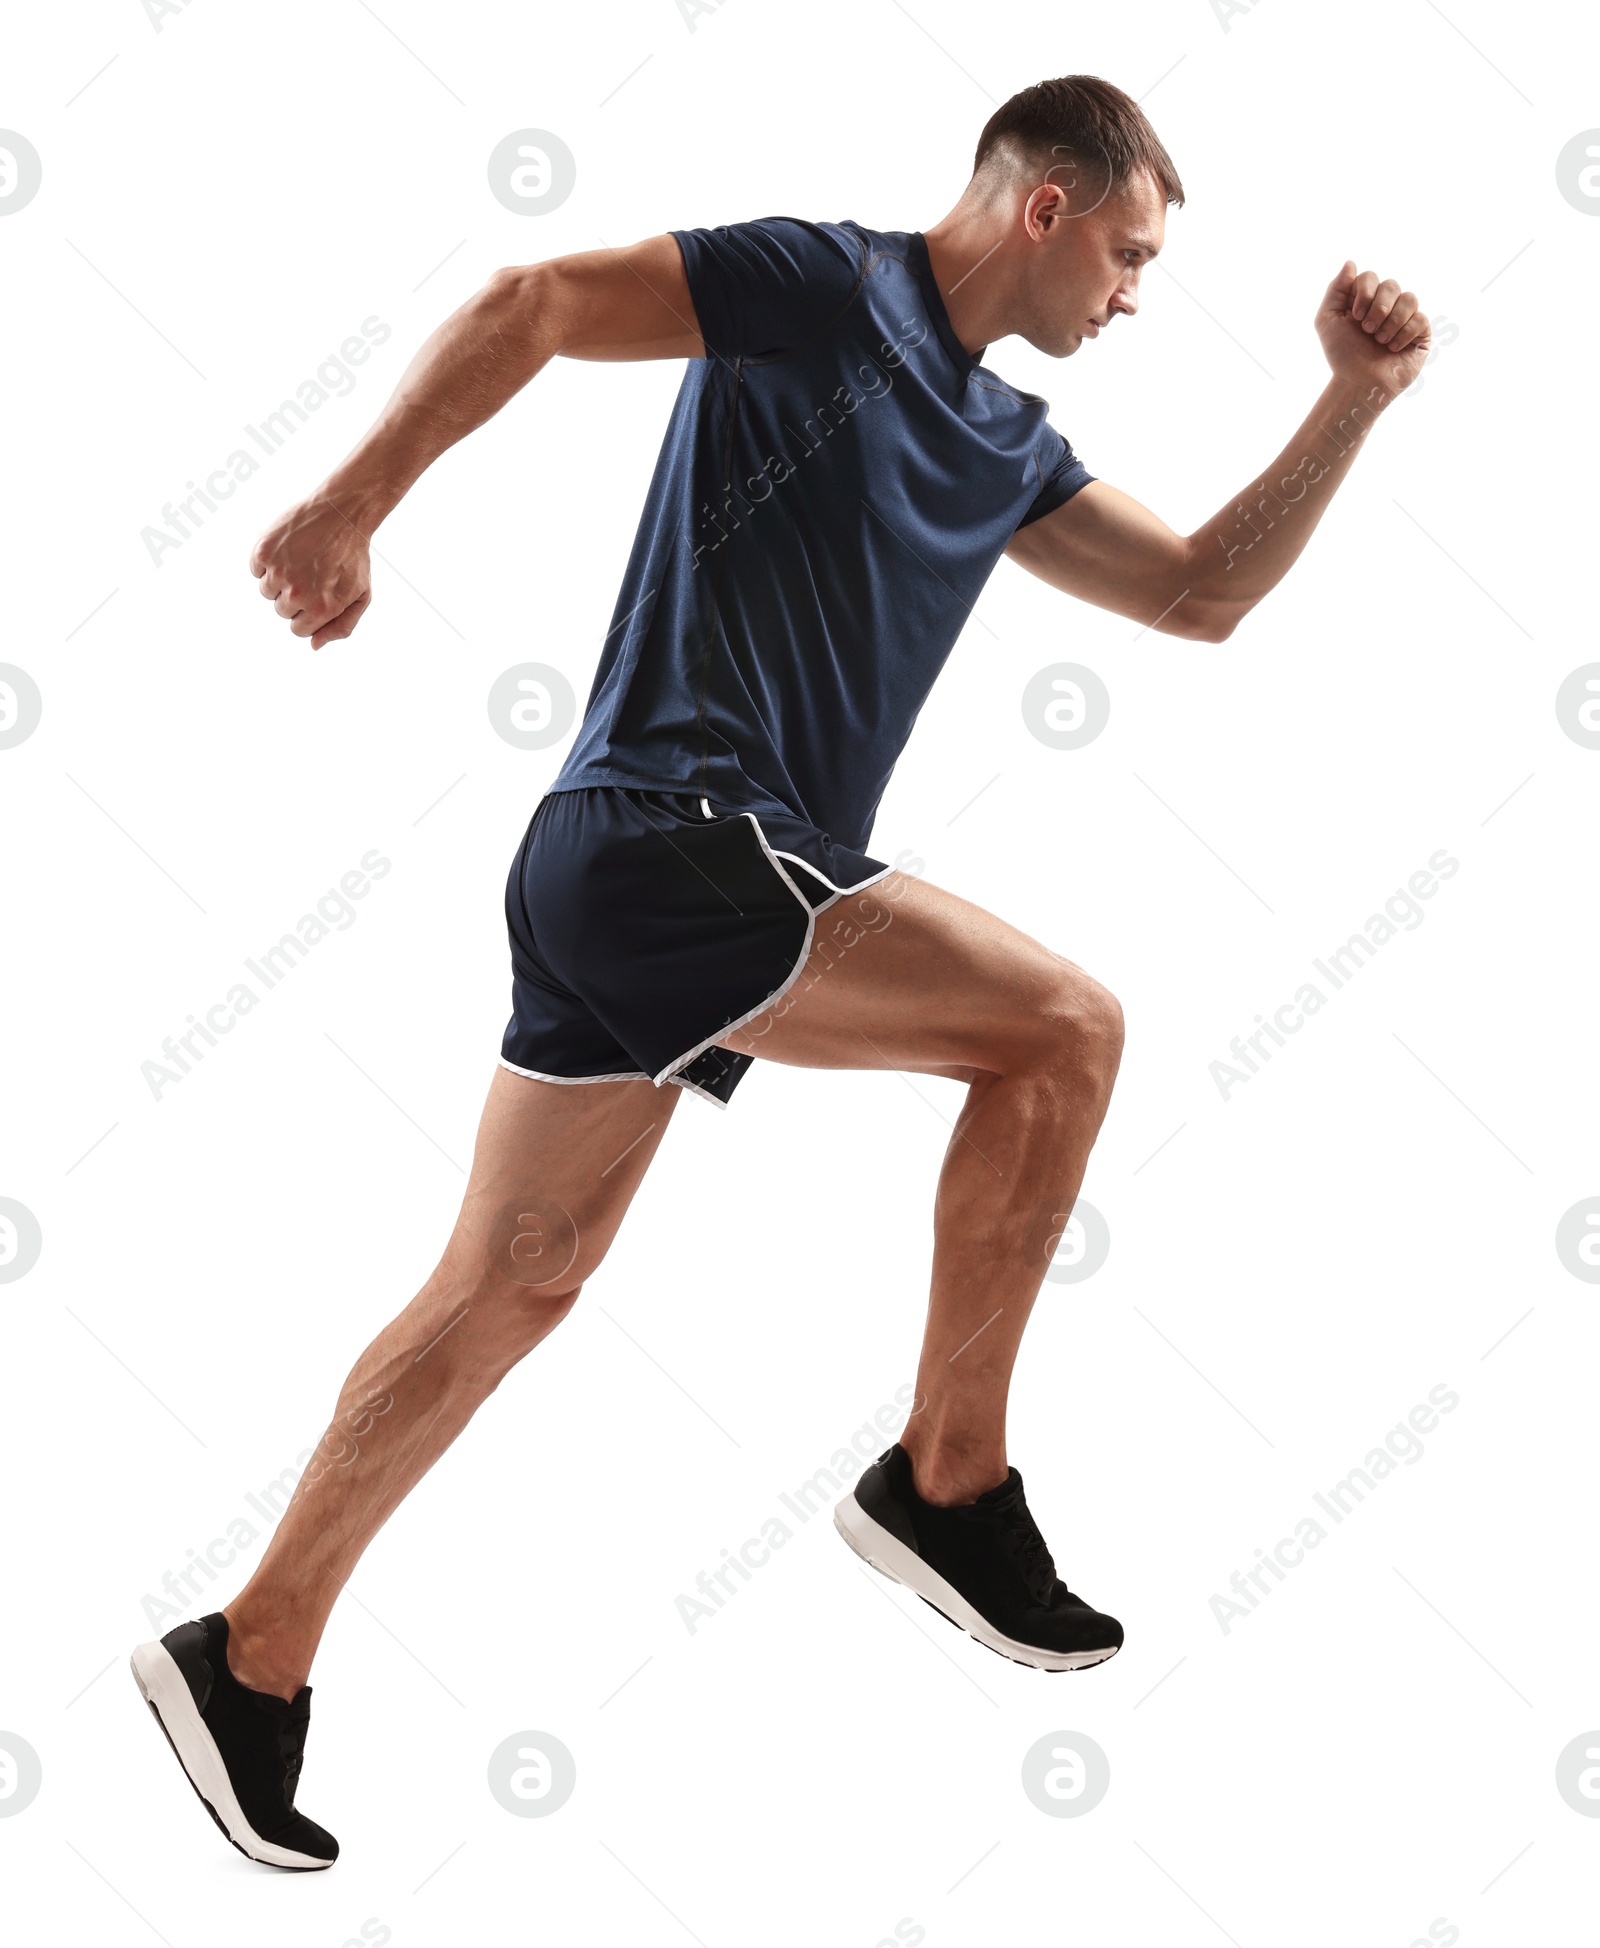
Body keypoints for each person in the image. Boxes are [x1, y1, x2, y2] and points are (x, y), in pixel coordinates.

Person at [129, 73, 1430, 1868]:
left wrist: (1351, 405)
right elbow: (537, 302)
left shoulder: (1004, 443)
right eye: (1128, 253)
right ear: (1044, 207)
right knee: (1065, 1030)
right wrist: (354, 502)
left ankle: (247, 1657)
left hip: (644, 890)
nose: (1133, 294)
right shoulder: (827, 284)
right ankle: (948, 1484)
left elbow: (1204, 590)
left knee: (514, 1284)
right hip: (677, 835)